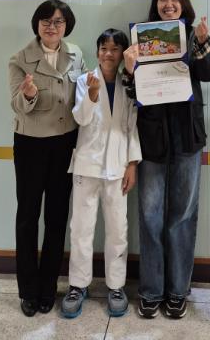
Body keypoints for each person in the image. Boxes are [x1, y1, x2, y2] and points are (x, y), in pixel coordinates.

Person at [122, 0, 210, 319]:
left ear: (183, 3)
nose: (168, 4)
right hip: (151, 139)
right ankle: (151, 290)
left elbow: (209, 72)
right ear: (156, 4)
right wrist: (130, 70)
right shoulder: (143, 40)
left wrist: (203, 43)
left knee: (182, 217)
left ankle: (178, 291)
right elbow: (132, 92)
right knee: (150, 217)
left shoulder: (192, 36)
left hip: (187, 138)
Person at [8, 0, 86, 317]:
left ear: (66, 26)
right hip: (31, 143)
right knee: (28, 217)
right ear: (37, 24)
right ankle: (28, 290)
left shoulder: (76, 54)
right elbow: (16, 104)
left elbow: (82, 96)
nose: (52, 27)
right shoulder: (20, 59)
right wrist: (28, 95)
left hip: (65, 144)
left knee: (56, 217)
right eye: (46, 21)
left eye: (58, 22)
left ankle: (48, 287)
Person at [61, 29, 141, 319]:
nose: (109, 54)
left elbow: (132, 125)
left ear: (122, 55)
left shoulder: (128, 85)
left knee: (118, 229)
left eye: (115, 49)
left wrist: (132, 164)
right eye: (104, 48)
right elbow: (80, 119)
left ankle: (116, 287)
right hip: (87, 165)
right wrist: (92, 96)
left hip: (118, 167)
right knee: (81, 229)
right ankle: (77, 285)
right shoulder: (85, 80)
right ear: (97, 52)